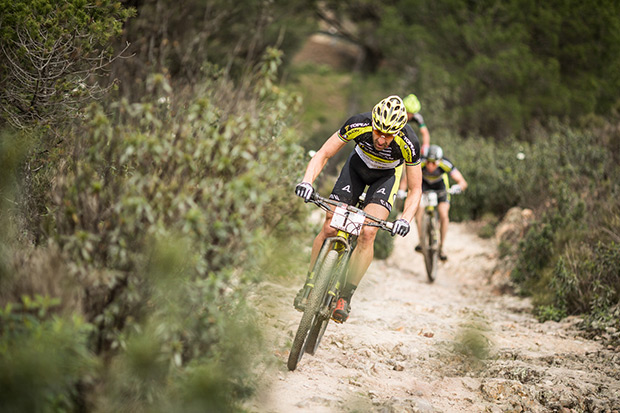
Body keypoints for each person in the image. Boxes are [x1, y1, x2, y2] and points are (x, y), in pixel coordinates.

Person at [294, 95, 423, 323]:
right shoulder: (358, 124)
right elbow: (324, 153)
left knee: (368, 233)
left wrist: (405, 219)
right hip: (356, 169)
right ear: (373, 123)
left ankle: (345, 296)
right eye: (378, 132)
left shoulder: (409, 142)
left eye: (389, 135)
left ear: (399, 132)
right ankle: (310, 283)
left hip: (385, 178)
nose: (382, 140)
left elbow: (415, 189)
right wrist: (307, 181)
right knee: (330, 224)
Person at [414, 144, 467, 261]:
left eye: (434, 163)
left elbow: (462, 181)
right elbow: (407, 179)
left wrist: (458, 187)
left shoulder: (446, 164)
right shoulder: (420, 162)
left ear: (440, 161)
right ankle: (421, 240)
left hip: (441, 188)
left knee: (443, 215)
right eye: (428, 161)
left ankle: (442, 246)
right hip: (425, 186)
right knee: (418, 211)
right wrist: (402, 190)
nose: (430, 165)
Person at [396, 93, 431, 204]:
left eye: (411, 114)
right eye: (407, 113)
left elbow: (425, 132)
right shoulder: (397, 112)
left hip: (405, 141)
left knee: (409, 167)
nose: (409, 116)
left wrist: (426, 145)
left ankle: (402, 190)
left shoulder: (417, 117)